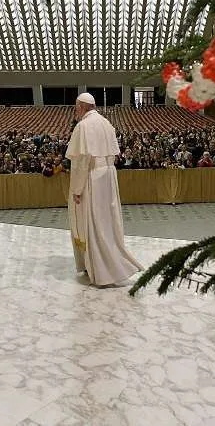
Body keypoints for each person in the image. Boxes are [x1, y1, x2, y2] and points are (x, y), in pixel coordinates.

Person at [66, 92, 143, 286]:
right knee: (107, 222)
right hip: (108, 176)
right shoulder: (107, 124)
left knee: (93, 223)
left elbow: (81, 162)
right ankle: (110, 263)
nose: (76, 111)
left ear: (83, 107)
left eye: (77, 107)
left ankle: (101, 270)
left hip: (91, 177)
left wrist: (77, 188)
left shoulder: (83, 126)